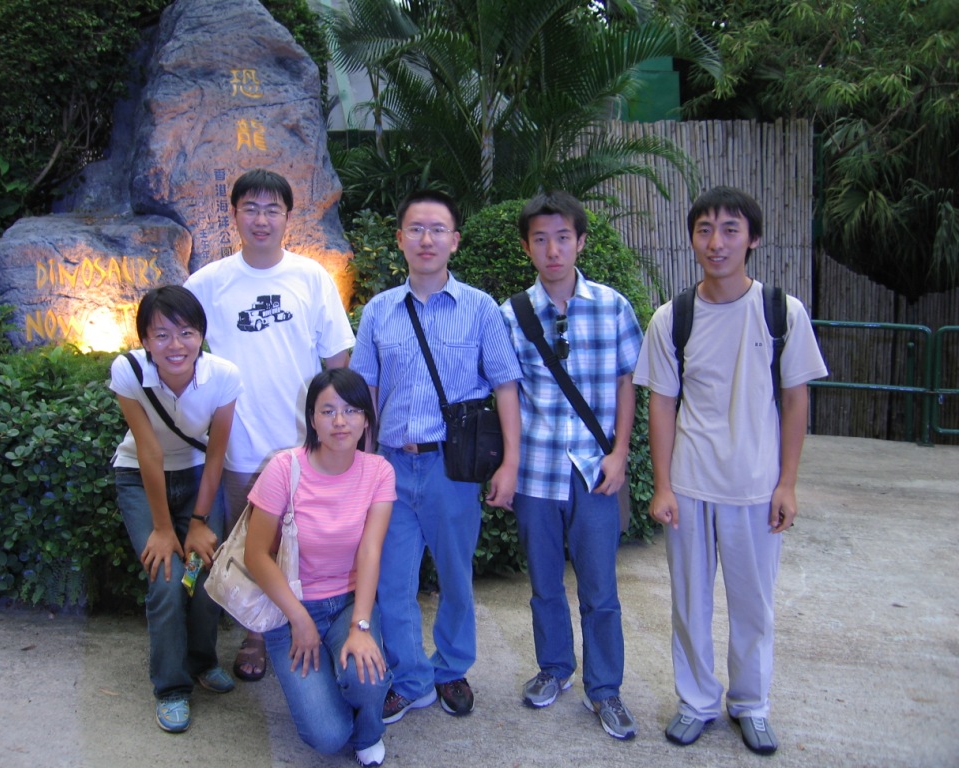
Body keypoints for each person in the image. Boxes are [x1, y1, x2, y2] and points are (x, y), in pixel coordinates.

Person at [632, 186, 828, 755]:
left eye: (730, 230)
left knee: (753, 606)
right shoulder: (673, 318)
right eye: (704, 230)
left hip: (755, 487)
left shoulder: (782, 312)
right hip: (690, 485)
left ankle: (751, 704)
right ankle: (695, 702)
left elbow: (795, 399)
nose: (716, 242)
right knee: (690, 603)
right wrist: (663, 485)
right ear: (692, 239)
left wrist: (787, 483)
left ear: (753, 239)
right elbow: (661, 403)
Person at [350, 190, 522, 723]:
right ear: (400, 239)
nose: (427, 239)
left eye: (438, 229)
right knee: (391, 582)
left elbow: (506, 386)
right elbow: (364, 393)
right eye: (416, 229)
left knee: (455, 575)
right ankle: (410, 679)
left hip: (453, 467)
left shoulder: (480, 308)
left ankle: (450, 669)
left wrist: (510, 463)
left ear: (455, 240)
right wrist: (361, 466)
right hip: (390, 467)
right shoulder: (379, 311)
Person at [185, 168, 355, 682]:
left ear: (287, 217)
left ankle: (312, 626)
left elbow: (337, 358)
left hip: (302, 445)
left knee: (310, 543)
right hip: (242, 445)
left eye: (272, 210)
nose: (261, 219)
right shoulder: (209, 283)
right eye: (251, 209)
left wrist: (333, 430)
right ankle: (255, 636)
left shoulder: (310, 277)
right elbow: (175, 340)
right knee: (249, 547)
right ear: (234, 215)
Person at [499, 191, 643, 740]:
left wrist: (620, 454)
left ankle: (604, 689)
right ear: (526, 247)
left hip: (594, 472)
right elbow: (506, 391)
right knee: (544, 584)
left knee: (600, 590)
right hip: (535, 472)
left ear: (581, 241)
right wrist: (510, 463)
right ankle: (555, 667)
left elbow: (627, 382)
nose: (553, 250)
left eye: (563, 237)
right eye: (540, 239)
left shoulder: (613, 306)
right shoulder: (511, 314)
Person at [244, 368, 395, 767]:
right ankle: (332, 691)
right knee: (328, 736)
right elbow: (255, 555)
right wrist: (299, 619)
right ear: (312, 418)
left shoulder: (378, 471)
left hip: (348, 603)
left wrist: (361, 626)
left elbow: (370, 551)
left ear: (366, 418)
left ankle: (369, 728)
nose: (340, 421)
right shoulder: (284, 468)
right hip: (289, 608)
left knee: (367, 679)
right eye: (328, 411)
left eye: (351, 410)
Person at [110, 285, 243, 732]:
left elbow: (217, 455)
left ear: (201, 335)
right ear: (145, 340)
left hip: (199, 478)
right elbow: (149, 452)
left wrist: (199, 522)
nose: (175, 345)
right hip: (140, 478)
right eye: (161, 334)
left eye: (186, 332)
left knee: (203, 571)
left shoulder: (224, 376)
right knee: (167, 577)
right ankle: (170, 687)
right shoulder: (128, 371)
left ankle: (202, 661)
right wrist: (164, 529)